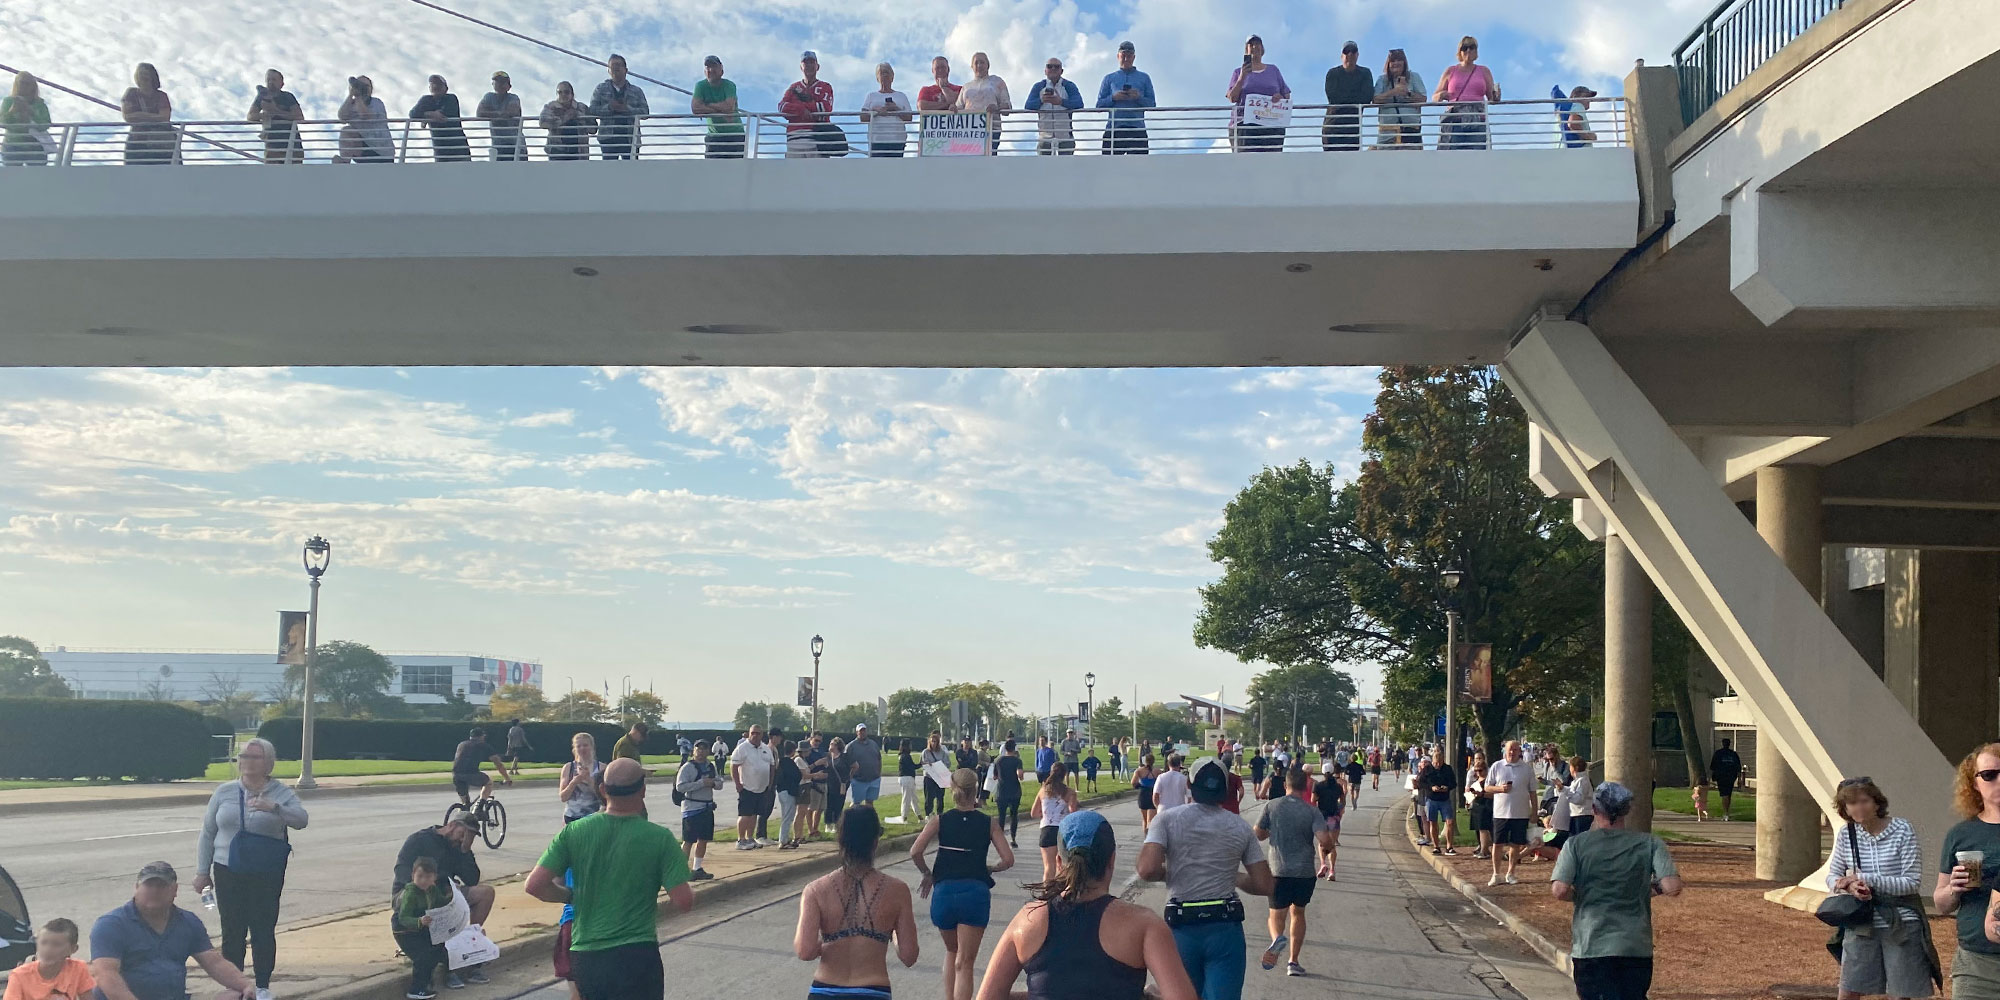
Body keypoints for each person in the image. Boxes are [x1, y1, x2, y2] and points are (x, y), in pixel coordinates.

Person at [977, 810, 1194, 1000]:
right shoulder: (1144, 925)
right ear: (1112, 860)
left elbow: (987, 996)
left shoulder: (1028, 920)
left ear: (1059, 863)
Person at [526, 758, 694, 1000]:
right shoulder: (661, 838)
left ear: (603, 790)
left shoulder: (574, 832)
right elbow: (684, 901)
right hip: (638, 952)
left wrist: (570, 895)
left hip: (588, 954)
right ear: (643, 791)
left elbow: (534, 885)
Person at [1137, 758, 1274, 1000]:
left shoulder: (1166, 820)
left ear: (1189, 784)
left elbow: (1147, 869)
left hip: (1182, 925)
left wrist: (1169, 873)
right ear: (1225, 789)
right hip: (1224, 927)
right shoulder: (1240, 827)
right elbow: (1265, 884)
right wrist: (1233, 877)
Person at [193, 738, 307, 1000]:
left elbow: (302, 819)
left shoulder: (280, 792)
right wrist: (202, 872)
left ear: (268, 762)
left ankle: (263, 984)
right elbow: (208, 833)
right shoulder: (224, 792)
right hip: (227, 867)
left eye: (254, 757)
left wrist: (275, 808)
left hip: (265, 870)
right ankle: (235, 985)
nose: (247, 762)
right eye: (243, 756)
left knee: (262, 927)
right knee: (232, 928)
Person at [1551, 782, 1684, 1000]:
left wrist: (1579, 896)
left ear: (1594, 810)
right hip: (1635, 945)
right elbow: (1672, 886)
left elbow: (1559, 890)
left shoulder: (1576, 844)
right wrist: (1649, 890)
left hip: (1592, 943)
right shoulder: (1649, 844)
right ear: (1626, 810)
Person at [1823, 777, 1938, 1000]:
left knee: (1902, 990)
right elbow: (1833, 876)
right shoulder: (1848, 834)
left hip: (1901, 919)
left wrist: (1866, 878)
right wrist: (1849, 885)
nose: (1858, 808)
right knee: (1849, 987)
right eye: (1851, 803)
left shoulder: (1902, 830)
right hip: (1861, 918)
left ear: (1877, 803)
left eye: (1864, 800)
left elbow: (1912, 883)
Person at [794, 807, 919, 1000]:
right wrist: (891, 934)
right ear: (875, 842)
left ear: (841, 841)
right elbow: (909, 955)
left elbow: (805, 950)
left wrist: (833, 941)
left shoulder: (815, 890)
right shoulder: (897, 890)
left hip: (825, 990)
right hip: (873, 991)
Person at [912, 769, 1014, 1000]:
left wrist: (927, 873)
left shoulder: (940, 820)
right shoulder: (989, 823)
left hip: (944, 892)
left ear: (952, 789)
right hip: (974, 893)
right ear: (976, 790)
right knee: (965, 963)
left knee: (951, 951)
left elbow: (915, 851)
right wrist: (990, 868)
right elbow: (1008, 859)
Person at [90, 862, 254, 1000]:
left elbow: (214, 962)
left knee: (235, 994)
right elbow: (105, 974)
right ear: (136, 887)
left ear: (174, 890)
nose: (154, 891)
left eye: (161, 886)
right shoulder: (111, 924)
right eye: (149, 885)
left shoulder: (188, 921)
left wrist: (245, 985)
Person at [391, 820, 493, 988]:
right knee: (439, 903)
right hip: (411, 892)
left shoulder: (458, 848)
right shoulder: (419, 840)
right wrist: (428, 886)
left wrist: (465, 850)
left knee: (486, 893)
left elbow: (472, 879)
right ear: (452, 825)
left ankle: (468, 944)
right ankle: (448, 961)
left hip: (442, 893)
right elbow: (402, 872)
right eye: (462, 835)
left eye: (468, 838)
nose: (462, 840)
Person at [1937, 743, 2000, 998]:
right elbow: (1942, 904)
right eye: (1989, 775)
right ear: (1974, 783)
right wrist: (1953, 888)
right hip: (1975, 964)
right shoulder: (1961, 835)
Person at [1256, 768, 1332, 978]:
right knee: (1298, 913)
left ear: (1285, 785)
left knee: (1275, 914)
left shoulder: (1272, 806)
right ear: (1306, 786)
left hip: (1278, 870)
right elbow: (1324, 840)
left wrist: (1275, 831)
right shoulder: (1312, 811)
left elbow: (1258, 834)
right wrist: (1329, 848)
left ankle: (1276, 939)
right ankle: (1293, 961)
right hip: (1304, 872)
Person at [392, 856, 452, 1000]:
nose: (423, 880)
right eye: (420, 876)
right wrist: (419, 921)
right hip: (404, 930)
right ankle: (416, 989)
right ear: (413, 876)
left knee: (437, 950)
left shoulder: (432, 890)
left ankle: (426, 982)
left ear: (434, 878)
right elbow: (403, 917)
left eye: (428, 877)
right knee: (422, 957)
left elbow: (440, 902)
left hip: (422, 927)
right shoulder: (411, 893)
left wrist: (451, 897)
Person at [1433, 36, 1500, 150]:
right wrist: (1441, 95)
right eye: (1465, 48)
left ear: (1476, 51)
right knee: (1453, 160)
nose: (1468, 50)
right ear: (1460, 52)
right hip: (1455, 121)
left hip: (1477, 121)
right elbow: (1435, 97)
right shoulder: (1450, 71)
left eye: (1472, 47)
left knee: (1477, 159)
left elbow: (1491, 99)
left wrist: (1496, 96)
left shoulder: (1484, 71)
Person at [1226, 36, 1290, 153]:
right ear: (1246, 50)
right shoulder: (1238, 72)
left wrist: (1279, 97)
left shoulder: (1273, 70)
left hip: (1271, 124)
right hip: (1244, 124)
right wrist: (1242, 77)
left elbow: (1286, 95)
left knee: (1271, 162)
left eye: (1258, 44)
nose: (1255, 47)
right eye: (1251, 45)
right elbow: (1232, 98)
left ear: (1262, 48)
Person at [1486, 740, 1537, 885]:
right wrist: (1500, 789)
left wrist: (1534, 811)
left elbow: (1533, 791)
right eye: (1510, 749)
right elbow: (1487, 787)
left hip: (1520, 813)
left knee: (1515, 845)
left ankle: (1511, 872)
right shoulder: (1497, 766)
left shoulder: (1526, 769)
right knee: (1497, 843)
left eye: (1515, 749)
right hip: (1501, 813)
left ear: (1520, 751)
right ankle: (1496, 874)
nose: (1512, 752)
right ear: (1505, 750)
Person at [5, 917, 94, 1000]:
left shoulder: (78, 968)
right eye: (43, 943)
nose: (48, 950)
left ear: (73, 949)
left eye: (56, 944)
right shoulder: (19, 976)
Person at [1096, 40, 1155, 155]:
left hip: (1137, 128)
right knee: (1108, 168)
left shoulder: (1144, 78)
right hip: (1114, 129)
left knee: (1139, 168)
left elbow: (1152, 104)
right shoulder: (1109, 78)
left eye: (1129, 56)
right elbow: (1099, 105)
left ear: (1134, 57)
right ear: (1118, 56)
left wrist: (1138, 97)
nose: (1126, 59)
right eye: (1123, 55)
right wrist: (1113, 98)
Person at [675, 740, 723, 880]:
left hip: (707, 807)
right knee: (688, 840)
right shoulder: (687, 767)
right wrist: (701, 783)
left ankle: (697, 868)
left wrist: (714, 783)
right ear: (693, 751)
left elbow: (719, 783)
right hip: (692, 809)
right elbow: (680, 787)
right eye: (698, 748)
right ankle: (682, 870)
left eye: (704, 748)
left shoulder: (710, 766)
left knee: (703, 839)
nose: (701, 751)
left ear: (708, 751)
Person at [780, 51, 842, 159]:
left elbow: (824, 109)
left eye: (812, 62)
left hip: (816, 138)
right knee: (793, 174)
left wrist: (797, 107)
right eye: (805, 63)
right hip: (793, 138)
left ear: (817, 66)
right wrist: (801, 110)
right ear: (801, 67)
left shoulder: (825, 86)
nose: (809, 66)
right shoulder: (793, 87)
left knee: (818, 174)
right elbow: (782, 107)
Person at [589, 55, 647, 160]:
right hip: (608, 139)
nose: (615, 68)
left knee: (631, 173)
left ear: (626, 70)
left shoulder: (637, 91)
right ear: (608, 70)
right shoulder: (600, 89)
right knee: (609, 173)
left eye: (618, 65)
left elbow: (645, 112)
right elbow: (592, 110)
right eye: (612, 66)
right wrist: (609, 107)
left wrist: (627, 109)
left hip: (630, 138)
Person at [686, 55, 744, 159]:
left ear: (721, 69)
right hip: (714, 137)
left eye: (714, 66)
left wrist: (706, 106)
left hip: (735, 135)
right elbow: (695, 108)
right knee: (711, 172)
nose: (711, 70)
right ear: (704, 71)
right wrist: (720, 108)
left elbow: (728, 107)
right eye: (708, 67)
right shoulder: (700, 86)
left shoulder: (729, 85)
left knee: (736, 171)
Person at [119, 63, 176, 166]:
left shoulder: (161, 96)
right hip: (137, 142)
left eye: (146, 74)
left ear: (152, 77)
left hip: (161, 143)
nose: (143, 77)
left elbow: (164, 117)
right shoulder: (131, 93)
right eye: (140, 74)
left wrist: (139, 115)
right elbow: (127, 117)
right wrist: (154, 117)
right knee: (134, 175)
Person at [730, 723, 776, 849]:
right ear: (749, 734)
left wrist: (770, 784)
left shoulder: (766, 748)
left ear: (762, 735)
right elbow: (734, 766)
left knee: (754, 814)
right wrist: (738, 784)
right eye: (753, 733)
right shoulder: (742, 748)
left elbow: (772, 766)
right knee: (745, 815)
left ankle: (750, 838)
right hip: (747, 787)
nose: (755, 736)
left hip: (762, 788)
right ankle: (741, 840)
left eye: (758, 733)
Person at [954, 52, 1010, 155]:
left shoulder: (997, 81)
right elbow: (958, 108)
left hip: (991, 128)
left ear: (988, 65)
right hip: (969, 130)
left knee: (988, 162)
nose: (979, 65)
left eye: (982, 62)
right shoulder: (966, 87)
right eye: (976, 63)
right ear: (972, 66)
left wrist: (996, 107)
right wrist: (953, 108)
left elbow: (1007, 107)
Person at [1032, 764, 1080, 882]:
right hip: (1063, 830)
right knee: (1064, 866)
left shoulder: (1043, 790)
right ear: (1064, 775)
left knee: (1049, 867)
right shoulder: (1069, 792)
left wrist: (1046, 814)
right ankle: (1062, 893)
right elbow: (1072, 810)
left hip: (1047, 829)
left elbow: (1034, 813)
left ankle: (1047, 893)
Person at [1322, 41, 1372, 152]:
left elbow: (1366, 97)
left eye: (1353, 52)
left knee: (1351, 164)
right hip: (1332, 127)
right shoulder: (1332, 73)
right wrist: (1354, 99)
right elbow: (1333, 97)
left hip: (1353, 128)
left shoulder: (1365, 73)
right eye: (1346, 52)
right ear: (1341, 56)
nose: (1350, 54)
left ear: (1357, 55)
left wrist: (1345, 98)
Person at [1025, 58, 1082, 155]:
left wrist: (1061, 102)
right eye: (1049, 66)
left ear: (1061, 71)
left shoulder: (1069, 86)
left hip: (1065, 136)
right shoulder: (1039, 86)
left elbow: (1079, 103)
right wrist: (1041, 101)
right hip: (1045, 137)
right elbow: (1028, 105)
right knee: (1044, 168)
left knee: (1066, 167)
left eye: (1056, 66)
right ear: (1045, 70)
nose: (1053, 69)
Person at [245, 69, 303, 165]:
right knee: (272, 176)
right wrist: (262, 115)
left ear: (281, 83)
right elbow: (250, 116)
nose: (271, 82)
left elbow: (299, 117)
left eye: (274, 79)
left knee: (294, 175)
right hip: (272, 146)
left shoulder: (288, 97)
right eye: (268, 80)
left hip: (292, 145)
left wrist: (275, 110)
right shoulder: (261, 97)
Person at [1373, 49, 1426, 150]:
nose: (1396, 63)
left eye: (1399, 60)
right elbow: (1375, 100)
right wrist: (1394, 92)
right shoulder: (1382, 80)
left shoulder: (1414, 77)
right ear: (1388, 64)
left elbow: (1423, 99)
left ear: (1404, 62)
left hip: (1411, 131)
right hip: (1387, 133)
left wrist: (1408, 93)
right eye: (1393, 60)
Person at [857, 62, 913, 158]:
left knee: (895, 169)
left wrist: (896, 109)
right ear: (877, 78)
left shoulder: (901, 96)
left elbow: (909, 118)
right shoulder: (871, 96)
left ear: (892, 76)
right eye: (881, 73)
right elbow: (862, 117)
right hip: (877, 140)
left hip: (897, 141)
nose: (884, 75)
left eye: (887, 72)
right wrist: (875, 111)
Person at [410, 75, 469, 163]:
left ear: (446, 88)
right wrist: (429, 114)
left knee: (465, 173)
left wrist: (425, 117)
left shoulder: (451, 98)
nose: (435, 86)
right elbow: (413, 114)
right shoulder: (426, 100)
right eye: (432, 84)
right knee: (443, 174)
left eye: (438, 84)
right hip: (440, 149)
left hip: (458, 146)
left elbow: (443, 115)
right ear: (430, 87)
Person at [450, 727, 511, 807]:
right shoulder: (484, 746)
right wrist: (507, 778)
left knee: (465, 805)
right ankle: (480, 806)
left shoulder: (461, 744)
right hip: (471, 774)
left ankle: (462, 813)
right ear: (481, 736)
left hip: (456, 775)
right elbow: (498, 764)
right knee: (488, 783)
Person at [1, 72, 50, 168]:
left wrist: (31, 112)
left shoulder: (40, 104)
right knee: (12, 177)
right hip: (12, 144)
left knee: (38, 177)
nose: (24, 86)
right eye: (21, 83)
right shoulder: (8, 101)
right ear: (16, 84)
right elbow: (2, 122)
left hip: (35, 146)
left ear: (33, 86)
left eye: (28, 83)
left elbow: (46, 124)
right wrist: (12, 111)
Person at [1419, 747, 1458, 857]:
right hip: (1431, 799)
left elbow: (1453, 783)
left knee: (1449, 822)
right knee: (1433, 822)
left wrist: (1447, 787)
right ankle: (1436, 846)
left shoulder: (1447, 769)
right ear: (1433, 761)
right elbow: (1421, 782)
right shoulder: (1427, 769)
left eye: (1440, 763)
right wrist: (1431, 787)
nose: (1438, 765)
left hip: (1444, 799)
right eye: (1436, 763)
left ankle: (1449, 846)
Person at [539, 81, 594, 161]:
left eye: (566, 92)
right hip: (557, 151)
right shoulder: (551, 106)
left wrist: (579, 118)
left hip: (579, 152)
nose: (563, 95)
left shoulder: (582, 107)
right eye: (560, 92)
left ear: (572, 94)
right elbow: (543, 122)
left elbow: (593, 128)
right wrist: (564, 118)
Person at [477, 72, 525, 161]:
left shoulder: (513, 97)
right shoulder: (489, 96)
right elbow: (480, 113)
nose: (500, 85)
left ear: (509, 86)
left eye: (503, 82)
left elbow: (511, 112)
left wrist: (491, 113)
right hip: (498, 145)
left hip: (515, 144)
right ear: (493, 84)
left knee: (519, 172)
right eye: (497, 82)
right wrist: (501, 114)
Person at [1310, 761, 1346, 881]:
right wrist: (1339, 810)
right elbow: (1343, 801)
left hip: (1322, 817)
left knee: (1322, 843)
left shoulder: (1318, 786)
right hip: (1334, 817)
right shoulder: (1338, 786)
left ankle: (1323, 864)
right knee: (1332, 844)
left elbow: (1313, 800)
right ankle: (1332, 870)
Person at [560, 732, 606, 824]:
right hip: (571, 817)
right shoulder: (569, 768)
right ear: (574, 749)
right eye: (578, 746)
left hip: (594, 817)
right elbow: (563, 797)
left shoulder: (602, 768)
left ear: (592, 747)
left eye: (585, 745)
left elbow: (605, 797)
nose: (582, 748)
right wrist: (574, 782)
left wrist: (589, 780)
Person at [798, 733, 831, 844]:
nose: (817, 743)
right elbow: (806, 769)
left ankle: (815, 828)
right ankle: (810, 829)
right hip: (813, 783)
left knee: (821, 807)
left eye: (819, 741)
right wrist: (816, 764)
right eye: (816, 740)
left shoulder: (821, 750)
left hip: (823, 780)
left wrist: (826, 763)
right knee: (811, 808)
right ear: (811, 739)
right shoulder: (807, 753)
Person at [993, 741, 1025, 847]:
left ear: (1005, 749)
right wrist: (1020, 777)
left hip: (1001, 791)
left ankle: (1001, 840)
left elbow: (995, 776)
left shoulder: (999, 761)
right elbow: (1020, 775)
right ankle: (1013, 838)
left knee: (1001, 816)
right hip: (1014, 791)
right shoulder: (1017, 761)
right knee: (1014, 815)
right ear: (1014, 749)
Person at [1465, 749, 1494, 860]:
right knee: (1479, 828)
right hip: (1477, 804)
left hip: (1486, 805)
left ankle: (1485, 850)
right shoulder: (1476, 779)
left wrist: (1481, 794)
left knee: (1484, 828)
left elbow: (1492, 794)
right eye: (1476, 771)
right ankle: (1483, 848)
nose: (1478, 773)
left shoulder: (1488, 781)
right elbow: (1468, 788)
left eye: (1480, 770)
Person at [849, 723, 884, 810]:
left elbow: (879, 759)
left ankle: (868, 821)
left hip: (874, 779)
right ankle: (849, 818)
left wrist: (879, 773)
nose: (863, 733)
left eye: (864, 730)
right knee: (856, 803)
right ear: (857, 732)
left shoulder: (873, 744)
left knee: (870, 802)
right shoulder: (851, 746)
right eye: (861, 731)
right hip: (859, 780)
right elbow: (846, 761)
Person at [775, 739, 803, 848]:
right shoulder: (789, 762)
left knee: (785, 816)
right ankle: (783, 841)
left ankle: (784, 839)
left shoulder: (781, 761)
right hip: (788, 792)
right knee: (788, 817)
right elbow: (797, 775)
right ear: (793, 750)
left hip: (782, 791)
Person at [1709, 739, 1743, 822]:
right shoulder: (1733, 754)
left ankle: (1726, 813)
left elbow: (1713, 767)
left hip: (1723, 777)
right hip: (1729, 776)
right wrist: (1739, 779)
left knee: (1725, 795)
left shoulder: (1719, 753)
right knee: (1728, 795)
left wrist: (1712, 777)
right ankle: (1727, 812)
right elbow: (1738, 768)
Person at [921, 733, 950, 817]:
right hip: (929, 777)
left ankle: (939, 813)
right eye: (932, 741)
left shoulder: (942, 753)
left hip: (940, 777)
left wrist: (939, 765)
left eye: (935, 741)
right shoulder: (925, 752)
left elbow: (947, 763)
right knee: (929, 797)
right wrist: (928, 764)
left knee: (940, 797)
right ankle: (928, 814)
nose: (933, 743)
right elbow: (923, 763)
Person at [1132, 754, 1159, 833]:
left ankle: (1145, 838)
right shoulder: (1157, 771)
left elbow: (1133, 783)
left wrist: (1140, 786)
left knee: (1144, 820)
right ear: (1153, 761)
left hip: (1143, 794)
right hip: (1152, 794)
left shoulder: (1139, 771)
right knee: (1151, 820)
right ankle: (1151, 837)